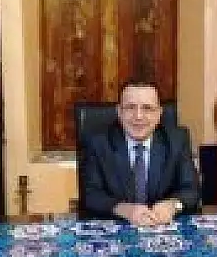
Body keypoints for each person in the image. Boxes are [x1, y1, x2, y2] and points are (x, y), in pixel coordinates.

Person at [80, 79, 200, 226]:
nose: (138, 116)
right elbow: (91, 195)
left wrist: (173, 205)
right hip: (117, 229)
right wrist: (125, 210)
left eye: (147, 108)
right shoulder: (98, 143)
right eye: (130, 107)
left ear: (159, 114)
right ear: (119, 112)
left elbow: (191, 190)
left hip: (163, 228)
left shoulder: (177, 140)